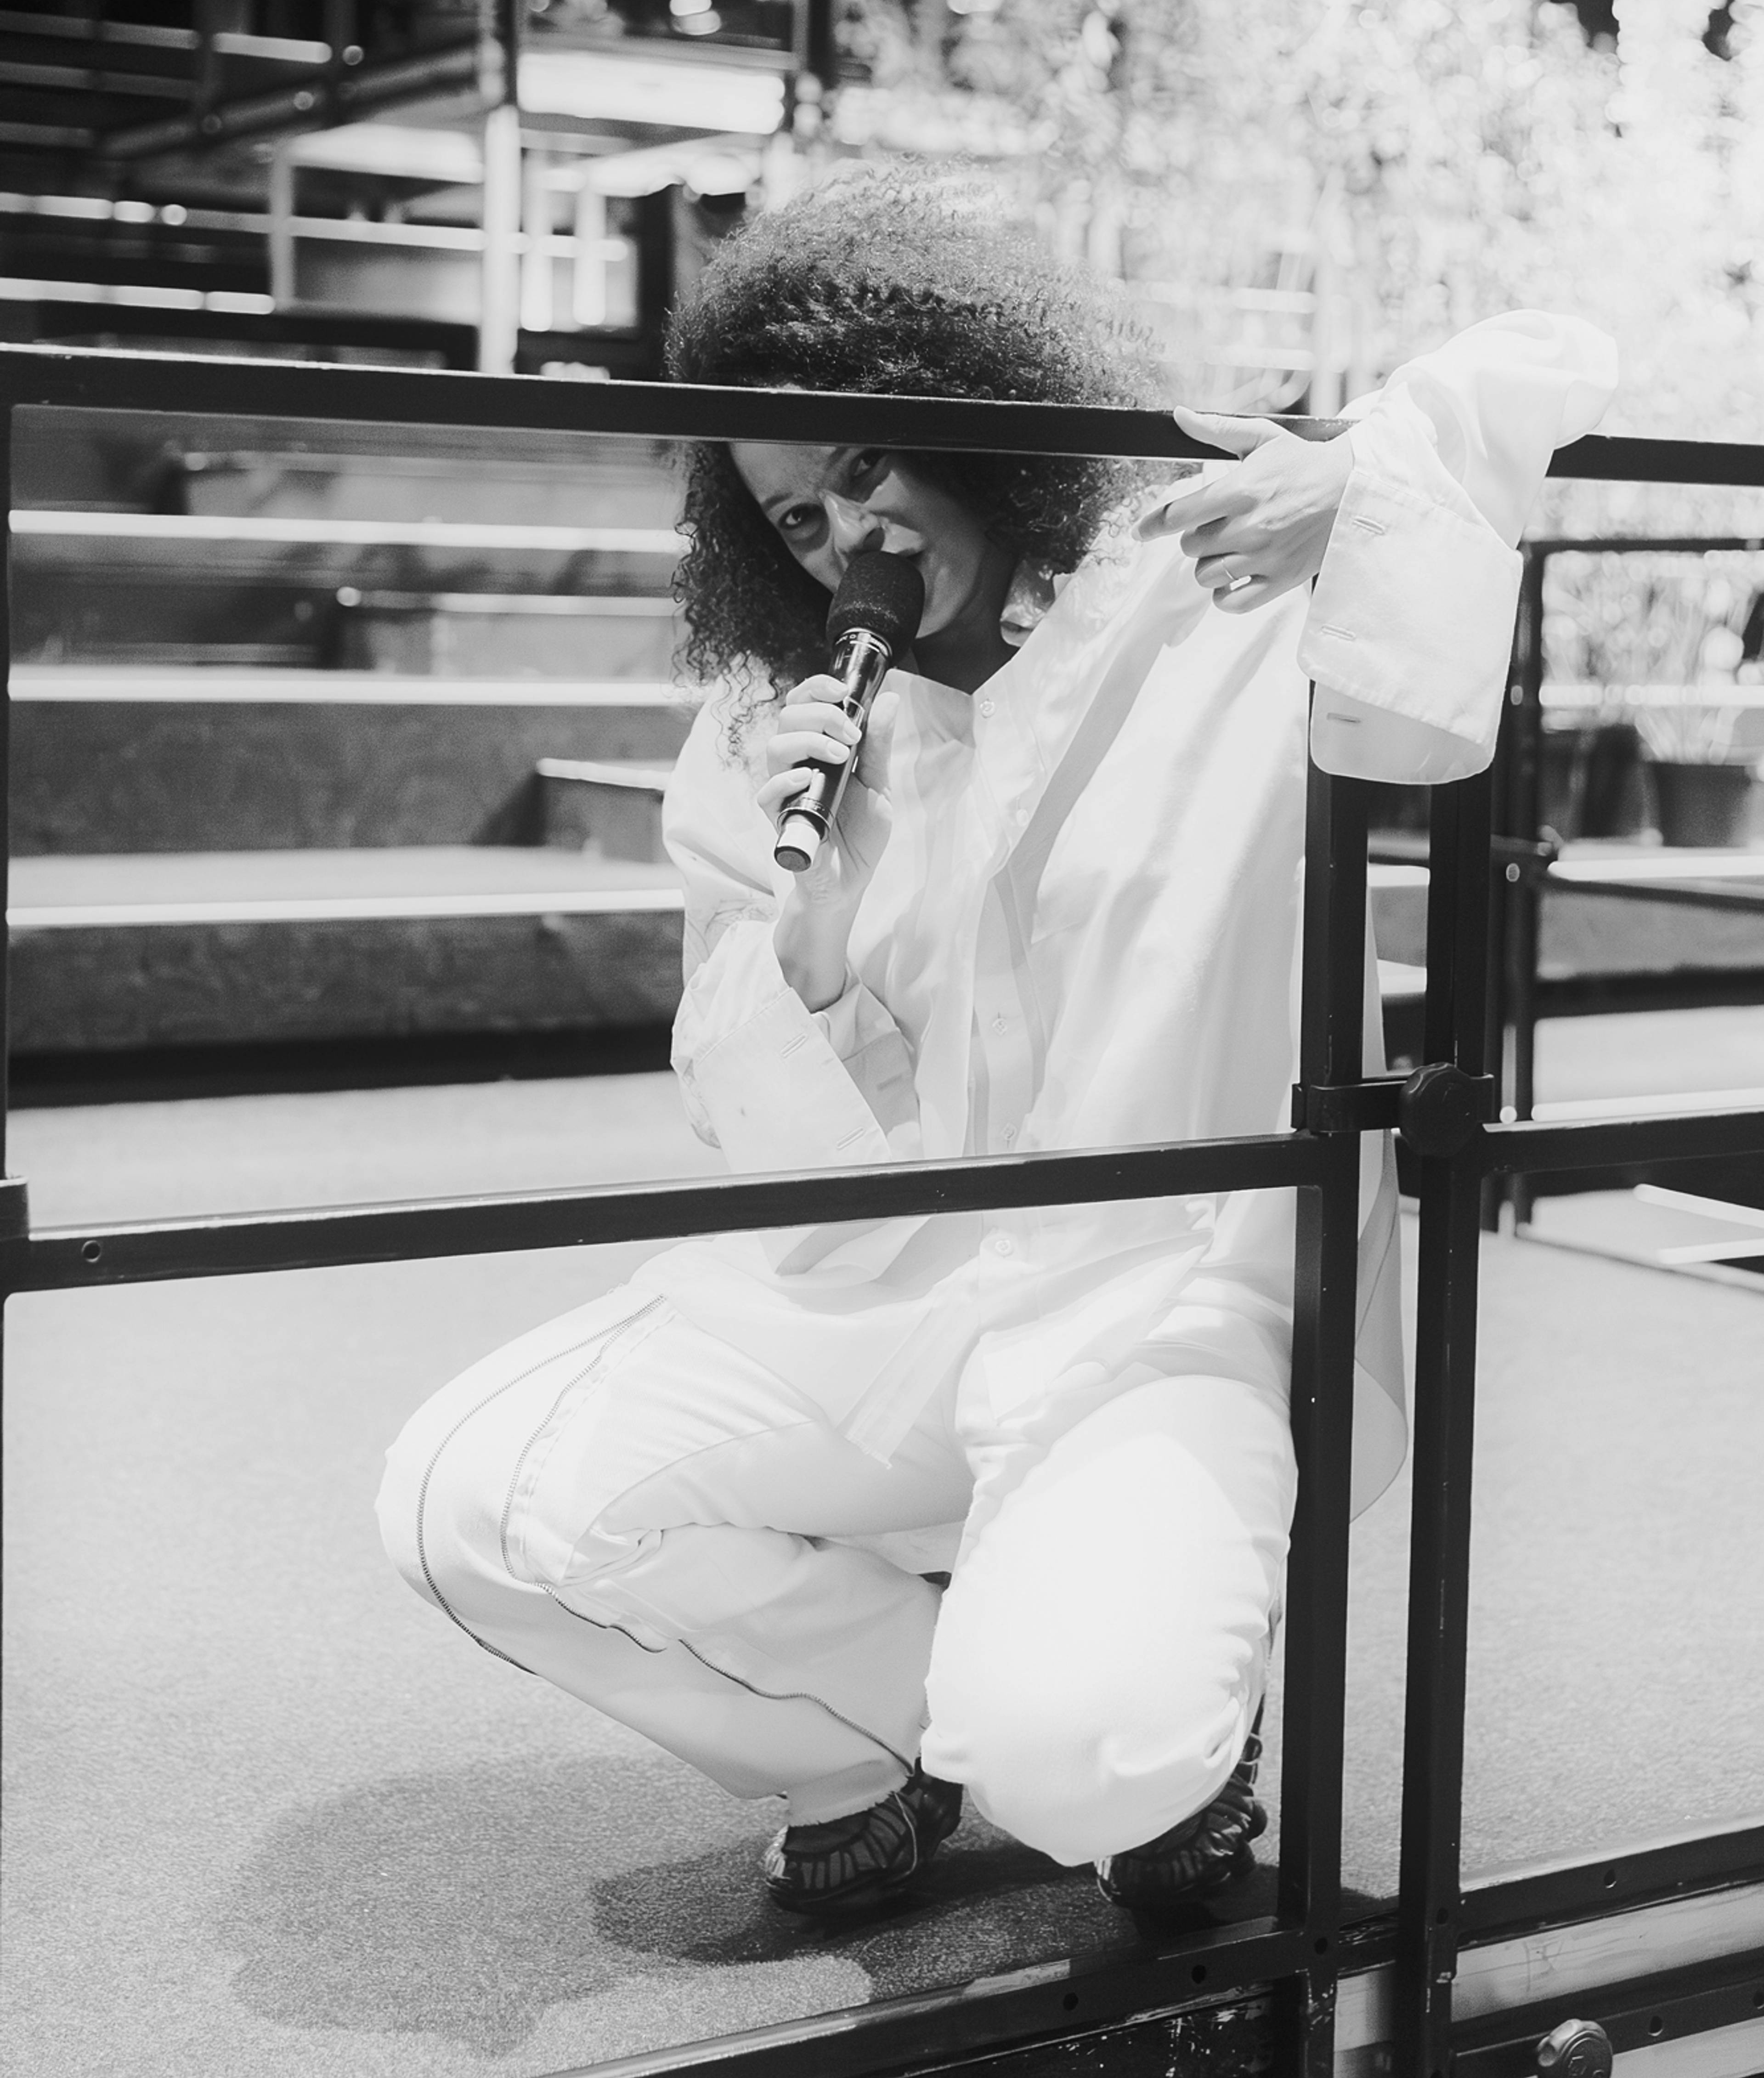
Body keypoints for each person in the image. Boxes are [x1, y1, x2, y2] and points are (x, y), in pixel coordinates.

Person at [379, 182, 1614, 1922]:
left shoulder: (1202, 593)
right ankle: (877, 1740)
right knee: (470, 1498)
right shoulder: (765, 740)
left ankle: (1090, 1698)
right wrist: (811, 954)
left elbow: (1560, 357)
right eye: (798, 518)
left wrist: (1364, 473)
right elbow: (804, 1190)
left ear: (965, 410)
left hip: (1158, 1299)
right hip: (885, 1306)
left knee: (1082, 1755)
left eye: (868, 465)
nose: (851, 537)